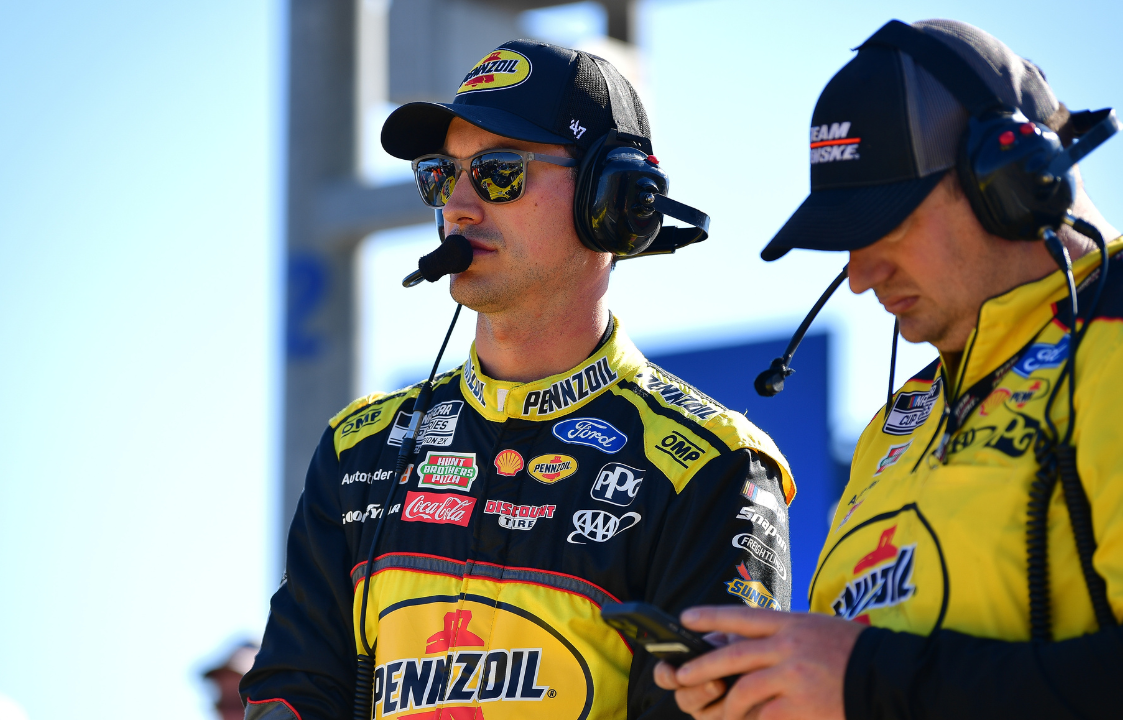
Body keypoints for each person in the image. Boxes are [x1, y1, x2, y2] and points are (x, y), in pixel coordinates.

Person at [655, 18, 1123, 720]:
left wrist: (865, 680)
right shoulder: (904, 416)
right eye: (844, 240)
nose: (860, 276)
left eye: (884, 223)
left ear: (1013, 181)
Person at [241, 40, 796, 720]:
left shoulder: (710, 468)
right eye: (439, 176)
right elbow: (290, 695)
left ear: (612, 198)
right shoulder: (359, 450)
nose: (458, 206)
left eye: (499, 173)